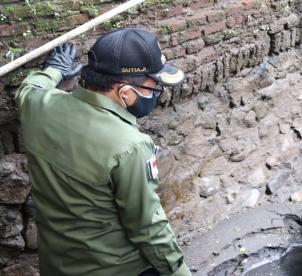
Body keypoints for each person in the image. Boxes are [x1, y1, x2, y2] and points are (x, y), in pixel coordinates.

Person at [15, 28, 191, 276]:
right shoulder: (130, 146)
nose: (154, 95)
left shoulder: (39, 106)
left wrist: (54, 69)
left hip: (56, 265)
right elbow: (148, 227)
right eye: (153, 88)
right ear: (125, 91)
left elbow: (27, 88)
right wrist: (178, 271)